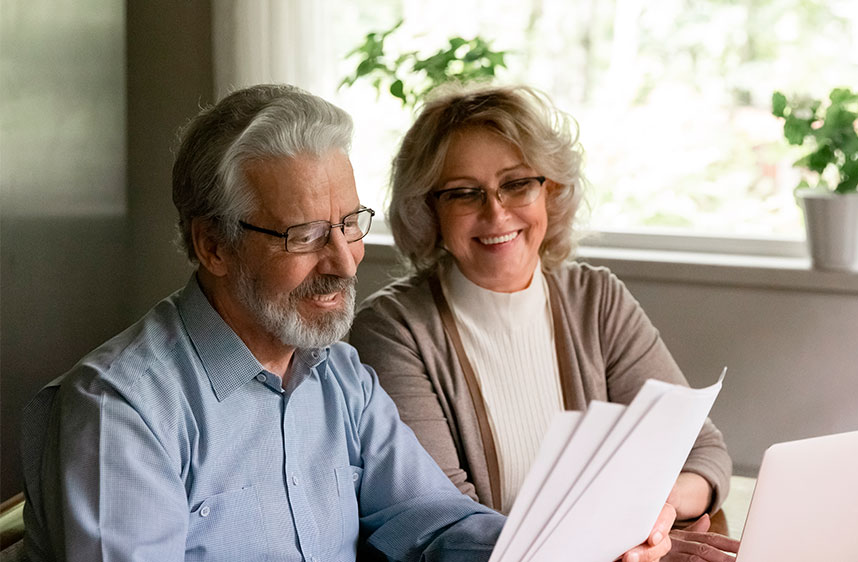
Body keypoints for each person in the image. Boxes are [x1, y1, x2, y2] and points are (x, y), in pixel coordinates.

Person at [19, 84, 505, 562]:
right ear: (213, 245)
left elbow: (435, 523)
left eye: (350, 223)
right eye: (307, 235)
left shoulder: (341, 375)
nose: (344, 262)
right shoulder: (122, 407)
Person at [350, 84, 739, 561]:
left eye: (517, 184)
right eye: (464, 193)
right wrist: (611, 540)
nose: (496, 212)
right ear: (429, 209)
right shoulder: (393, 330)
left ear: (549, 191)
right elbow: (446, 524)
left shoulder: (596, 299)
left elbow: (703, 451)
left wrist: (654, 518)